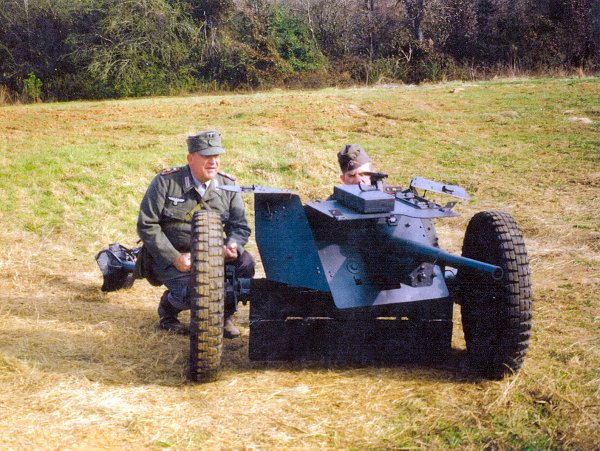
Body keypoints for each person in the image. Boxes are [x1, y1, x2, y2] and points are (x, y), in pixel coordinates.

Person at [137, 130, 255, 338]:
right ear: (190, 158)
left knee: (246, 264)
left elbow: (240, 226)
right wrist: (174, 258)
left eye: (217, 156)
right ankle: (169, 309)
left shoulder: (227, 185)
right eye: (206, 156)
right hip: (175, 256)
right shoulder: (166, 182)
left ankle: (224, 316)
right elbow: (147, 224)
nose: (213, 162)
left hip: (216, 252)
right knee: (194, 292)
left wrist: (233, 246)